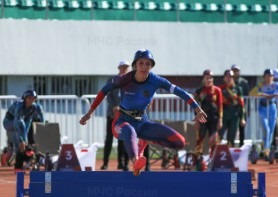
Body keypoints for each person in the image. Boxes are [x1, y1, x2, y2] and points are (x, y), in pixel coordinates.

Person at [79, 49, 207, 176]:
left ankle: (146, 141)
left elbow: (179, 91)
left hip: (142, 122)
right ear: (135, 65)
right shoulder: (124, 79)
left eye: (148, 64)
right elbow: (103, 91)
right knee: (130, 131)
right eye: (141, 63)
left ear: (152, 66)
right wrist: (89, 112)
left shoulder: (156, 80)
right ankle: (135, 161)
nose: (144, 67)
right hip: (121, 122)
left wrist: (197, 108)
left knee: (179, 142)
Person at [249, 69, 278, 157]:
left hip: (272, 107)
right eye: (267, 76)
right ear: (264, 77)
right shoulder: (261, 85)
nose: (269, 78)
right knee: (266, 129)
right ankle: (266, 149)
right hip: (262, 108)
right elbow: (252, 93)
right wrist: (263, 95)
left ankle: (267, 149)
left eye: (271, 76)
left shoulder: (276, 85)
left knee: (271, 130)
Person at [3, 90, 44, 172]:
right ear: (25, 98)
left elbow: (29, 123)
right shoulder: (19, 106)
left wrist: (25, 140)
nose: (31, 100)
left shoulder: (35, 107)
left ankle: (20, 161)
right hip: (9, 122)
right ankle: (17, 149)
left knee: (27, 128)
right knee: (21, 128)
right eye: (29, 98)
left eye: (33, 98)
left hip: (20, 122)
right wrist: (22, 140)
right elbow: (17, 123)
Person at [100, 60, 131, 171]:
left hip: (125, 115)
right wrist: (114, 107)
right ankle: (105, 163)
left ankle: (123, 163)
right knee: (109, 139)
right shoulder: (112, 80)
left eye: (126, 67)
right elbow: (108, 95)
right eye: (122, 67)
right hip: (112, 115)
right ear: (119, 68)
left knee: (124, 140)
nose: (124, 69)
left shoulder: (131, 82)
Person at [193, 69, 223, 155]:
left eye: (211, 78)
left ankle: (213, 158)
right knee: (200, 138)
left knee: (213, 139)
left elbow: (220, 106)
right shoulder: (199, 91)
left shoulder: (217, 90)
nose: (209, 80)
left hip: (214, 118)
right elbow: (195, 105)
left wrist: (220, 119)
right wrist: (196, 119)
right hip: (202, 117)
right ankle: (198, 159)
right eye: (207, 78)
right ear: (203, 78)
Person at [219, 69, 245, 147]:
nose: (229, 78)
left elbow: (242, 104)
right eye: (227, 77)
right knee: (219, 135)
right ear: (224, 78)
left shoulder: (238, 89)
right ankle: (216, 154)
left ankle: (230, 155)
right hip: (224, 114)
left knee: (231, 137)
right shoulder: (220, 89)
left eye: (231, 76)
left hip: (235, 115)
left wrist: (242, 118)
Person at [231, 64, 249, 147]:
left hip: (241, 108)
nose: (235, 72)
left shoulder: (244, 82)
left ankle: (241, 146)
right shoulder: (229, 81)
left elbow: (246, 97)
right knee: (232, 129)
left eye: (237, 70)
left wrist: (246, 109)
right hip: (231, 108)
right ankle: (231, 145)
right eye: (234, 70)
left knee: (242, 128)